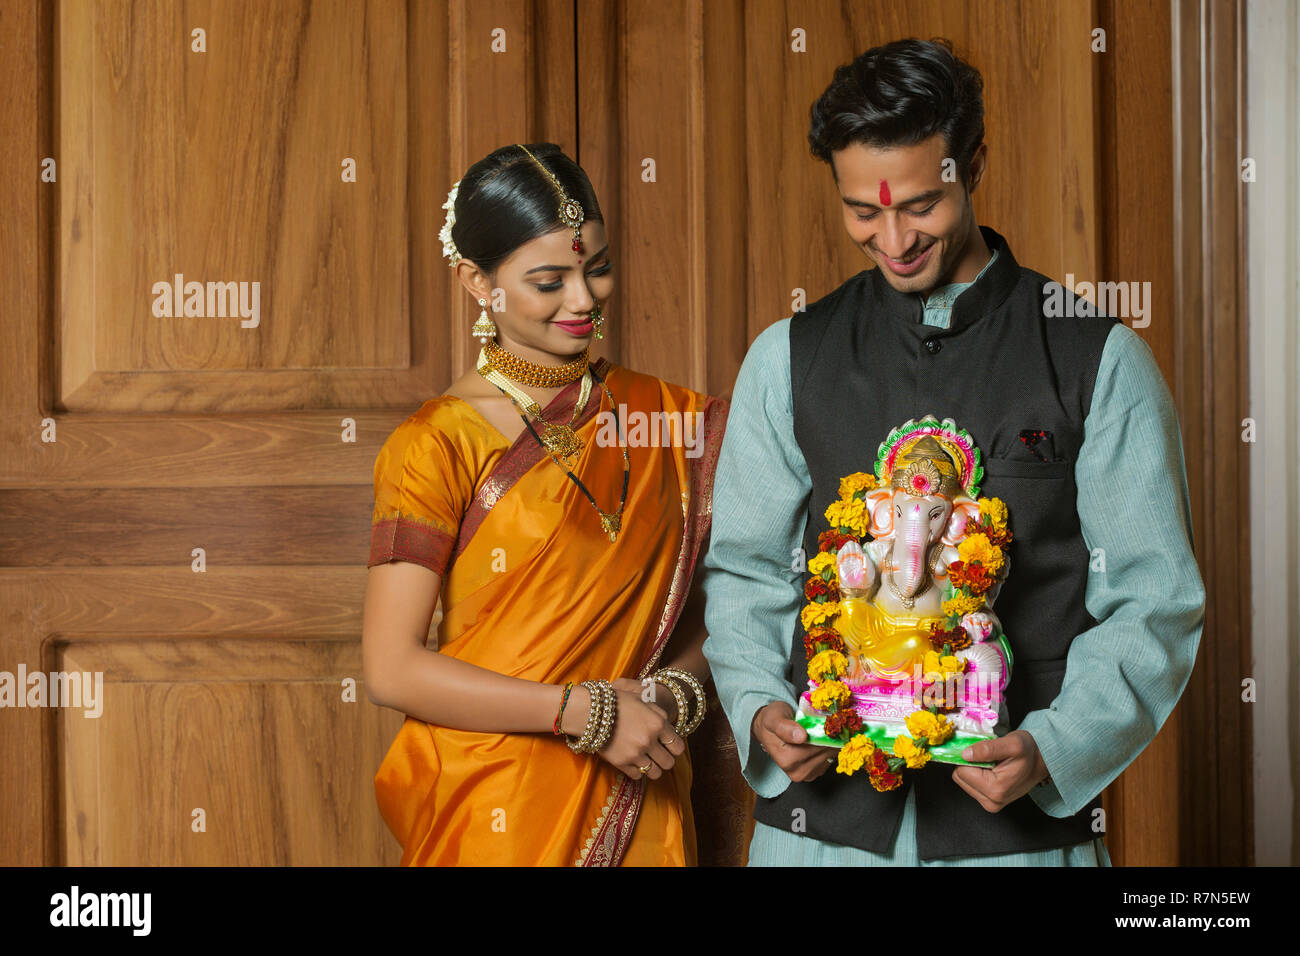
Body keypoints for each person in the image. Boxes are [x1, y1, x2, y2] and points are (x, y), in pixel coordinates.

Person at [700, 38, 1206, 865]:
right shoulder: (787, 357)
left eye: (921, 206)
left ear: (973, 163)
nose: (893, 238)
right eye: (863, 211)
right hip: (817, 837)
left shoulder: (1096, 356)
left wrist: (1059, 745)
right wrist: (759, 705)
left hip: (1020, 841)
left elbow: (1155, 598)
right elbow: (748, 571)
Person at [362, 143, 729, 866]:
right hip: (493, 799)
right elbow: (391, 667)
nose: (585, 300)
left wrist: (670, 695)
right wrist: (585, 713)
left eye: (596, 267)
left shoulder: (675, 422)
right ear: (478, 282)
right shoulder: (435, 443)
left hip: (639, 784)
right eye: (548, 280)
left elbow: (730, 601)